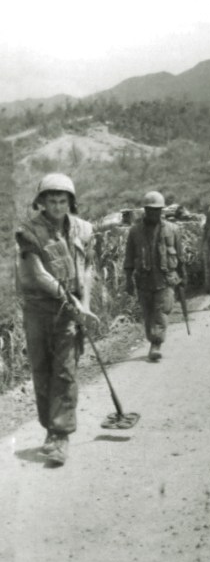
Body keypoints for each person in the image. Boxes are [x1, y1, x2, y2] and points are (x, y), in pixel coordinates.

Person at [15, 172, 98, 466]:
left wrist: (84, 305)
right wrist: (72, 300)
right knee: (42, 369)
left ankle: (60, 436)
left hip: (70, 312)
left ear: (71, 202)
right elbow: (38, 275)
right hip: (39, 310)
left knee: (65, 371)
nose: (58, 206)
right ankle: (50, 429)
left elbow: (87, 269)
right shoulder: (28, 232)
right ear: (41, 202)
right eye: (52, 200)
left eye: (63, 200)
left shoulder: (84, 229)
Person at [124, 191, 185, 362]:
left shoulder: (173, 230)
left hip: (166, 280)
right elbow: (129, 257)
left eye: (157, 210)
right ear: (145, 210)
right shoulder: (135, 231)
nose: (154, 213)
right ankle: (153, 339)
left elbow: (180, 257)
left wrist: (183, 278)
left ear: (162, 211)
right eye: (150, 210)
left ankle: (155, 344)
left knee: (161, 312)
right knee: (148, 314)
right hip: (144, 280)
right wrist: (128, 280)